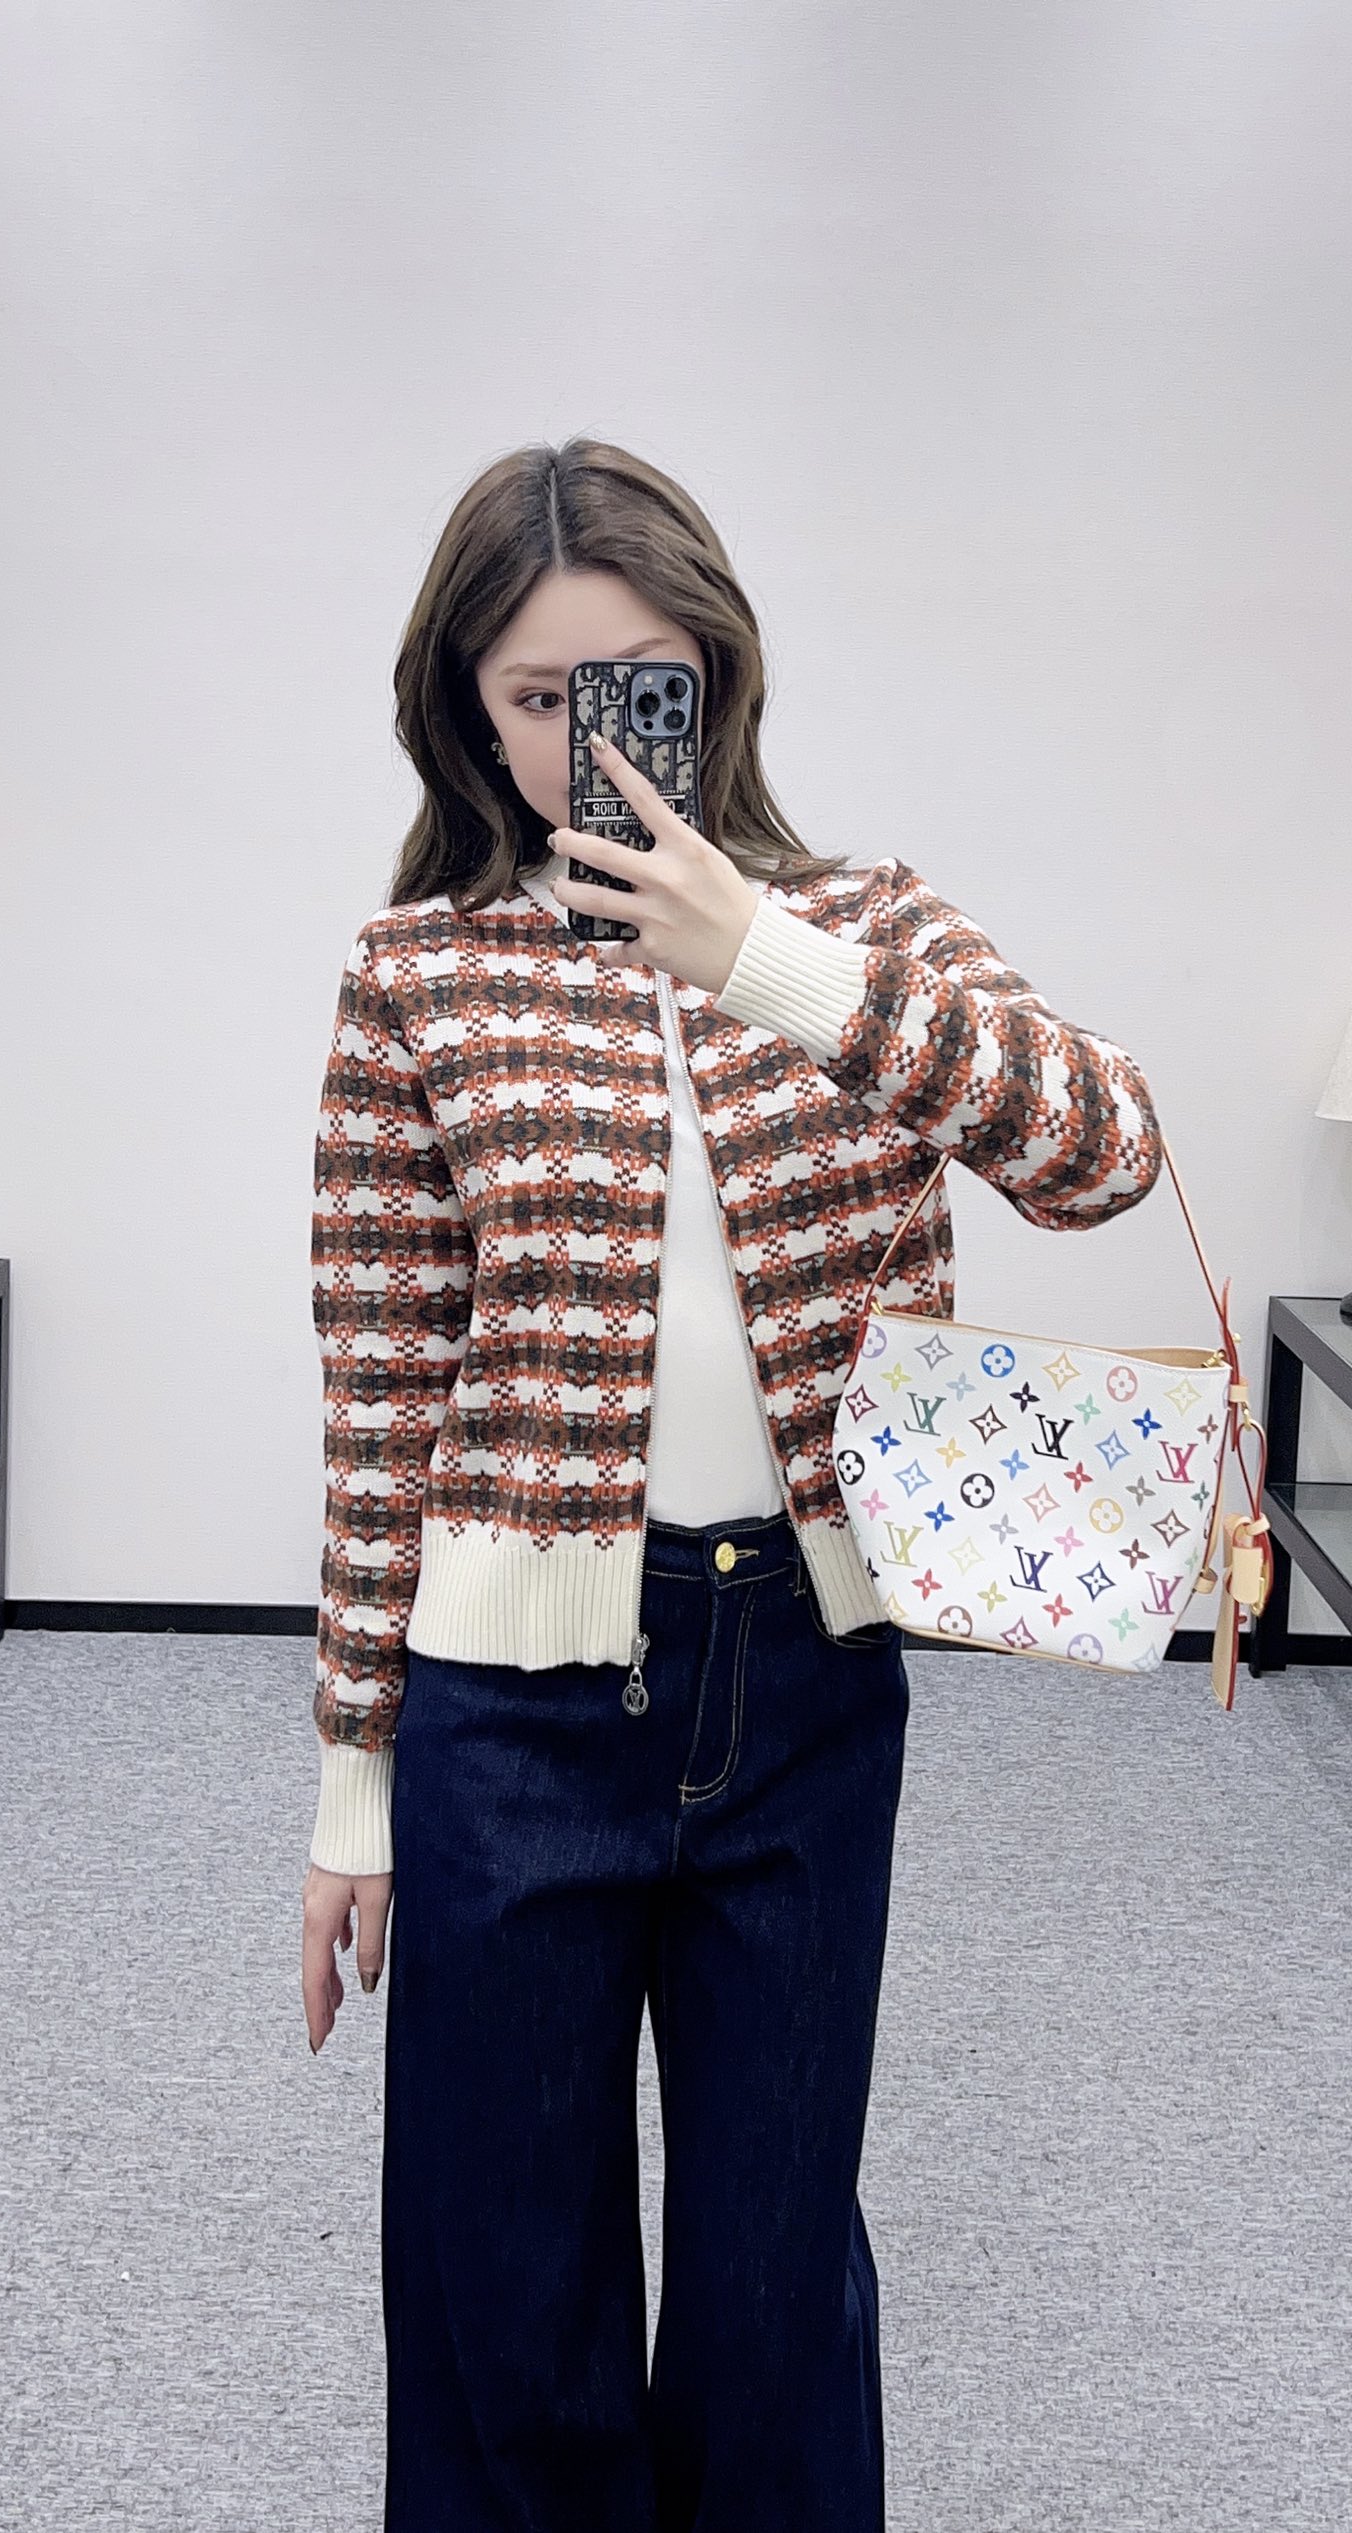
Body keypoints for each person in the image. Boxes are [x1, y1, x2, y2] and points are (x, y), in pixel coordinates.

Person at [299, 437, 1164, 2532]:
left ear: (719, 676)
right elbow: (384, 1388)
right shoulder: (419, 971)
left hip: (801, 1683)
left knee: (776, 2282)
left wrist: (766, 955)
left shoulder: (861, 927)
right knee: (504, 2280)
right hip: (511, 1707)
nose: (594, 744)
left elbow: (1102, 1149)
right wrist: (352, 1777)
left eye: (643, 688)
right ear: (466, 708)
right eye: (539, 695)